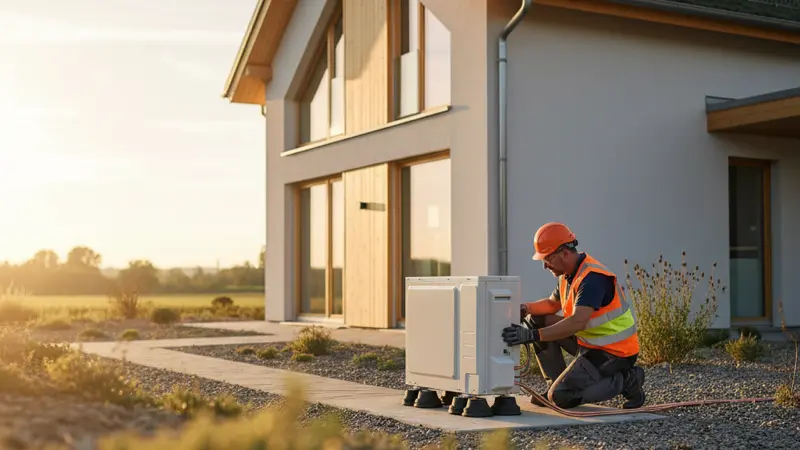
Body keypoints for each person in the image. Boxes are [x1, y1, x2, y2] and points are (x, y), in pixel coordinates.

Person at [501, 222, 646, 409]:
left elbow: (577, 322)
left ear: (565, 253)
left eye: (547, 259)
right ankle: (553, 384)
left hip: (614, 352)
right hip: (590, 344)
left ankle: (628, 380)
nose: (545, 266)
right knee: (535, 320)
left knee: (561, 398)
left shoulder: (593, 279)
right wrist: (524, 308)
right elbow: (552, 305)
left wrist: (532, 336)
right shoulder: (567, 275)